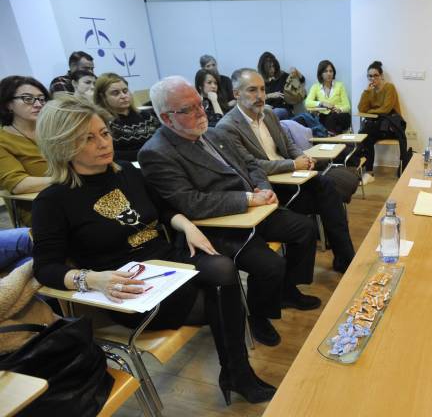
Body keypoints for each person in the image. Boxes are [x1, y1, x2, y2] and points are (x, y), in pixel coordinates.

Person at [31, 95, 275, 404]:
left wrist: (186, 225)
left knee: (223, 268)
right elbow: (46, 268)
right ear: (62, 146)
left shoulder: (126, 173)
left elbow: (162, 209)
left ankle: (236, 373)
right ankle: (238, 373)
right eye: (87, 139)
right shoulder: (53, 201)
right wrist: (93, 279)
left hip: (167, 262)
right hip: (130, 286)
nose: (103, 143)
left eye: (104, 133)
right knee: (221, 293)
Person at [138, 76, 320, 347]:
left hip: (253, 208)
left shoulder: (212, 132)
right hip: (217, 226)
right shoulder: (156, 153)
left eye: (200, 104)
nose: (201, 112)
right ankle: (259, 316)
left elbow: (251, 164)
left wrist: (262, 188)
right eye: (189, 109)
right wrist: (248, 198)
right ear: (166, 118)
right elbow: (192, 203)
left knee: (305, 229)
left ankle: (286, 290)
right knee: (270, 264)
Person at [212, 68, 356, 273]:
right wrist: (292, 165)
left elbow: (288, 145)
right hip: (270, 186)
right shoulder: (227, 127)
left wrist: (301, 157)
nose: (260, 96)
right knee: (327, 199)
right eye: (252, 90)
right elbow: (249, 165)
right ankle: (345, 258)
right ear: (236, 94)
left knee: (328, 188)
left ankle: (345, 257)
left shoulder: (269, 113)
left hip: (293, 177)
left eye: (262, 89)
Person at [0, 76, 52, 225]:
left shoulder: (52, 130)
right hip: (41, 208)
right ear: (8, 104)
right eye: (28, 99)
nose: (38, 104)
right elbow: (19, 185)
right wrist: (69, 178)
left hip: (76, 194)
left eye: (42, 99)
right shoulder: (3, 140)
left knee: (119, 213)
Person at [354, 61, 403, 185]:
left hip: (391, 127)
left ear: (381, 76)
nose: (373, 78)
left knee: (364, 133)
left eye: (375, 75)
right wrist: (366, 92)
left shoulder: (389, 87)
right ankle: (369, 172)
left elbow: (386, 109)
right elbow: (361, 109)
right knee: (366, 136)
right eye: (370, 76)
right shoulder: (370, 91)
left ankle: (360, 165)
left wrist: (371, 111)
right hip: (376, 127)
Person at [94, 73, 160, 161]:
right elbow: (109, 154)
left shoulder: (146, 116)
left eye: (125, 91)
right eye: (115, 93)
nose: (123, 96)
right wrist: (148, 153)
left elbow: (163, 141)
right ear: (103, 97)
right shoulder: (102, 122)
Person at [304, 60, 351, 136]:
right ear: (321, 73)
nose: (329, 74)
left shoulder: (340, 86)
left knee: (332, 118)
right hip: (325, 117)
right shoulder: (315, 87)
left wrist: (339, 109)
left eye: (331, 71)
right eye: (325, 71)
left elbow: (347, 106)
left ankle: (329, 140)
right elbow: (307, 103)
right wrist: (321, 103)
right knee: (326, 121)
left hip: (341, 116)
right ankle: (334, 137)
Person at [257, 52, 304, 120]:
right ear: (263, 68)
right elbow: (255, 98)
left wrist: (297, 72)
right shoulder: (259, 81)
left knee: (274, 113)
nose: (272, 69)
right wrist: (269, 96)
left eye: (273, 66)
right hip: (266, 110)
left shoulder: (282, 76)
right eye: (269, 67)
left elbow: (302, 80)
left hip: (284, 110)